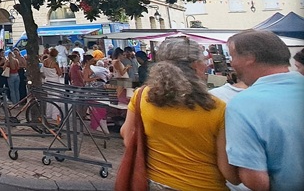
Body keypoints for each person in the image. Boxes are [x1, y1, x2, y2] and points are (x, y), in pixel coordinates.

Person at [120, 37, 237, 191]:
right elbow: (230, 173)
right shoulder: (216, 107)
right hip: (204, 184)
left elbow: (127, 136)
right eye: (203, 60)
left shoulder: (142, 95)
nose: (205, 65)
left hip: (154, 183)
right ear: (196, 65)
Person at [225, 30, 304, 191]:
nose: (231, 64)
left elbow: (256, 181)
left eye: (233, 56)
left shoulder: (243, 105)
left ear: (250, 58)